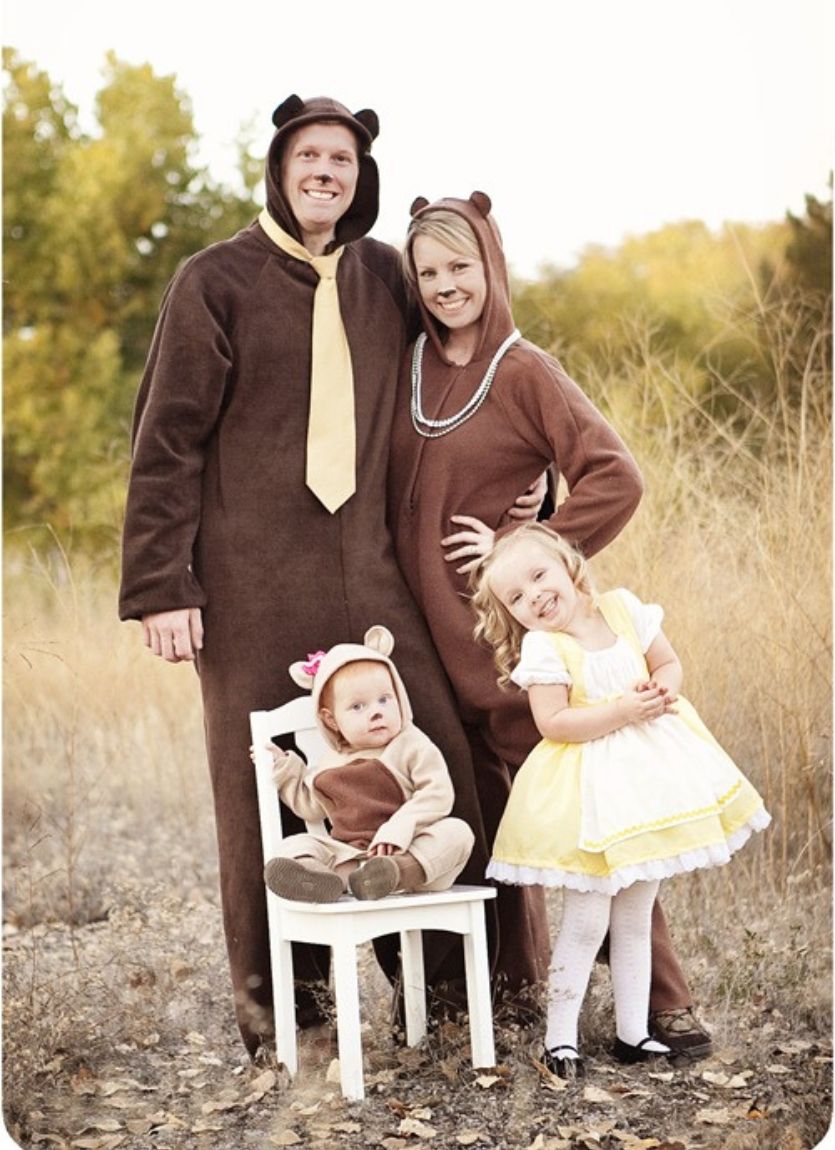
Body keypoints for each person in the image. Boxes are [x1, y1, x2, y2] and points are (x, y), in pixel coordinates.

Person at [119, 97, 532, 1057]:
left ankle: (452, 994)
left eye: (342, 159)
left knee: (438, 760)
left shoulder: (386, 277)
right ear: (278, 167)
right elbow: (165, 440)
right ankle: (288, 1017)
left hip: (374, 572)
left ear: (361, 176)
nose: (326, 172)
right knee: (264, 786)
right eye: (309, 155)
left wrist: (525, 477)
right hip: (250, 576)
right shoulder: (211, 281)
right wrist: (159, 586)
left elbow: (460, 370)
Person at [387, 191, 714, 1056]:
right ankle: (521, 991)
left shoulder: (524, 368)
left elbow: (615, 475)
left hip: (524, 652)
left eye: (461, 266)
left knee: (593, 823)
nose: (447, 285)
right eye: (429, 271)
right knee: (503, 827)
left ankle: (667, 1003)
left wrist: (527, 543)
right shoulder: (409, 363)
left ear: (491, 265)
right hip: (430, 644)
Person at [470, 522, 770, 1075]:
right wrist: (621, 712)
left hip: (647, 782)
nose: (533, 595)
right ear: (511, 613)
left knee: (634, 915)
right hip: (592, 794)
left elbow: (667, 663)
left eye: (539, 575)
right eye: (516, 597)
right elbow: (554, 722)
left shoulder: (624, 609)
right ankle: (558, 1040)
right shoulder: (545, 646)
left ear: (568, 565)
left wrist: (665, 689)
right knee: (587, 921)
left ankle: (633, 1033)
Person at [253, 626, 474, 903]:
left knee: (457, 833)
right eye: (358, 707)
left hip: (412, 853)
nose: (376, 712)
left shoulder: (410, 744)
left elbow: (438, 794)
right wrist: (286, 767)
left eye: (384, 699)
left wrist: (400, 828)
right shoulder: (329, 763)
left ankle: (394, 873)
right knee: (292, 846)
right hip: (351, 858)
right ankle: (320, 879)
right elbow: (310, 807)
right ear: (331, 720)